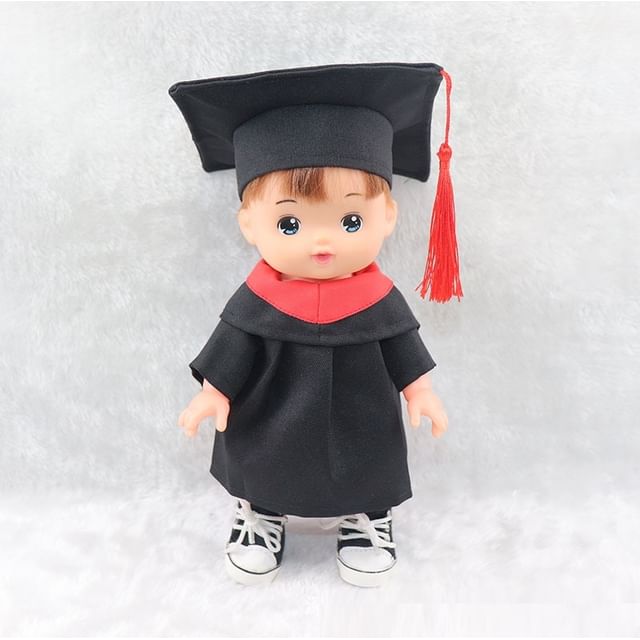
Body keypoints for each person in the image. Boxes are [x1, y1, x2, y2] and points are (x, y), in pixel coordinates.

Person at [169, 62, 460, 587]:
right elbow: (232, 349)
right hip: (271, 410)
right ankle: (262, 514)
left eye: (351, 220)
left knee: (368, 456)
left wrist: (421, 391)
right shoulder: (257, 299)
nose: (321, 241)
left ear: (387, 217)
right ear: (249, 225)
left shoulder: (378, 299)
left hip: (361, 411)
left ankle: (365, 517)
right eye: (290, 223)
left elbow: (403, 351)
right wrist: (212, 393)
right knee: (261, 455)